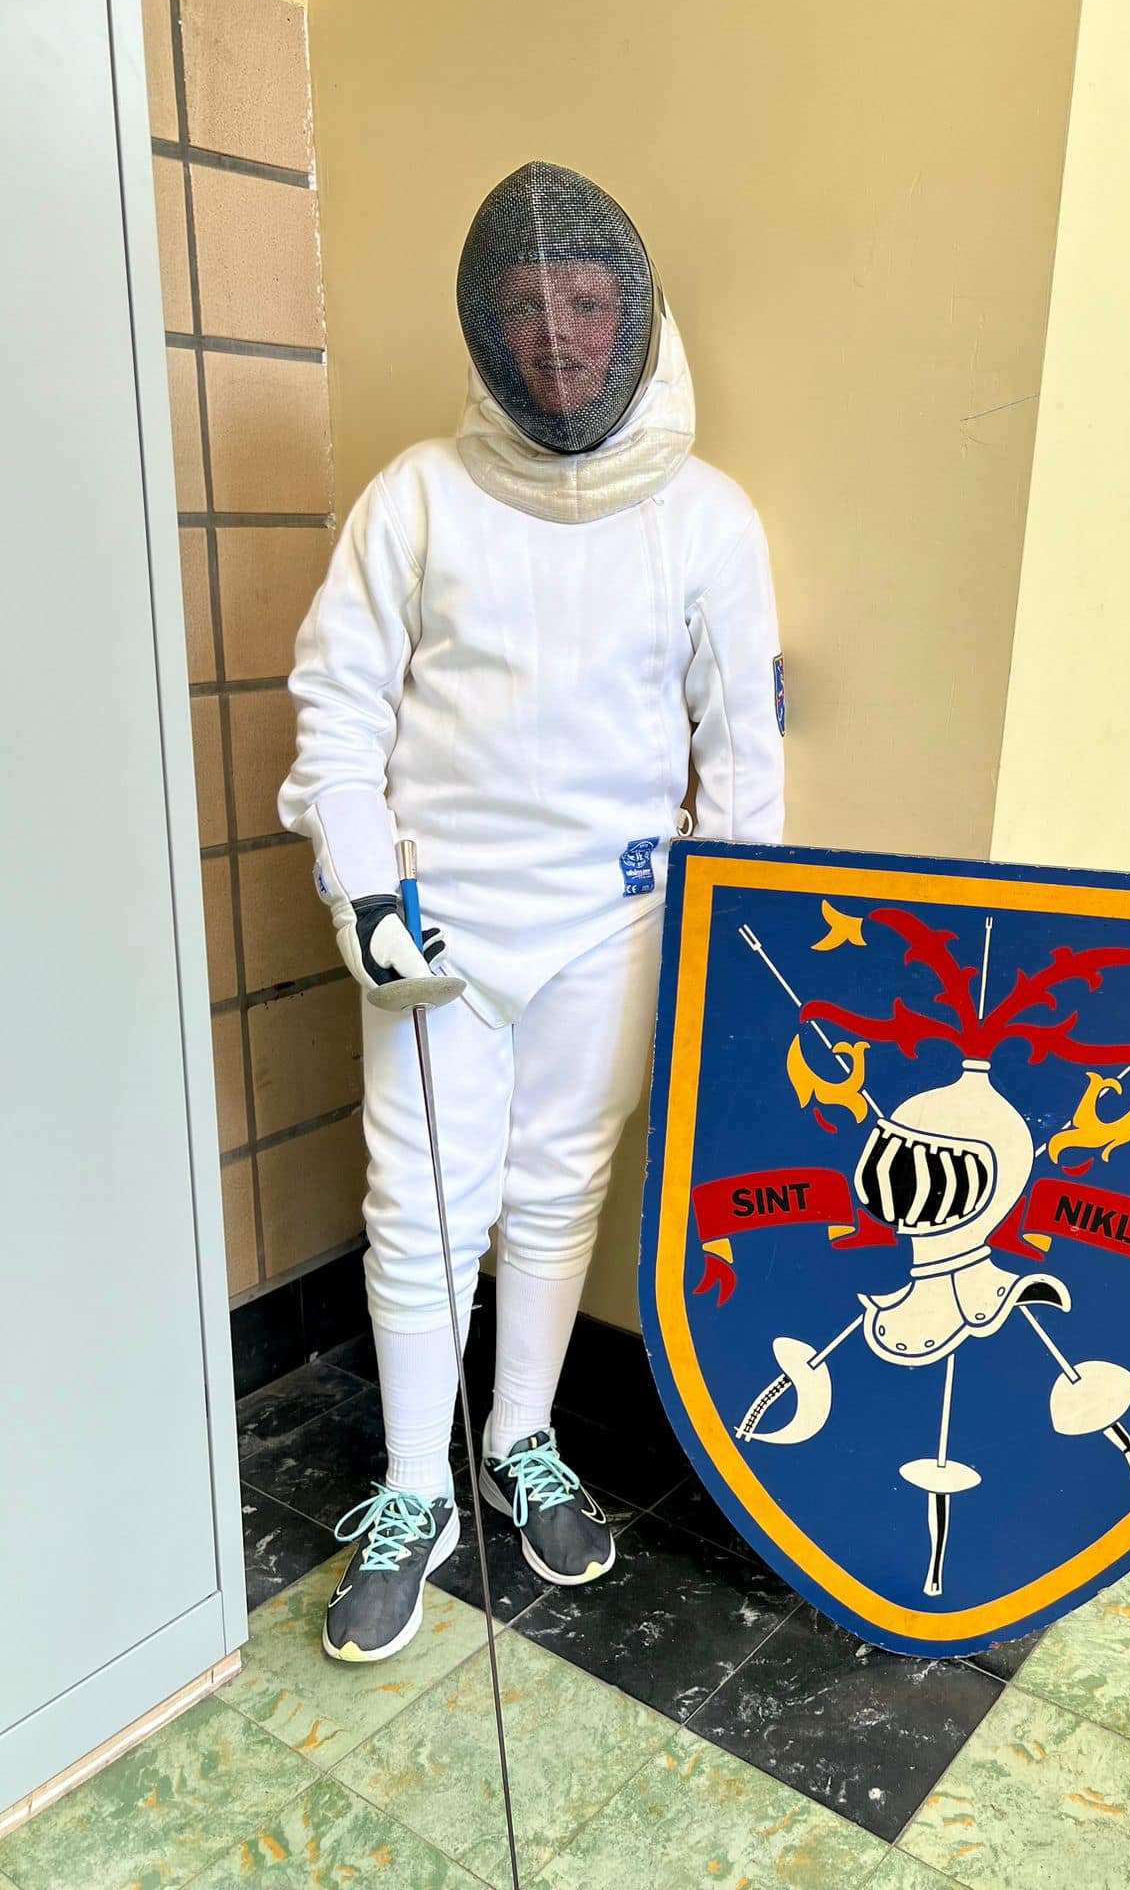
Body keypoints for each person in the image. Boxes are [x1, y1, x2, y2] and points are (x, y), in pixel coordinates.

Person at [279, 162, 785, 1662]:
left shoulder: (707, 520)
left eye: (586, 301)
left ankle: (520, 1441)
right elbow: (337, 712)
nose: (558, 332)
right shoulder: (416, 498)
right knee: (419, 1206)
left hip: (613, 919)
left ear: (635, 315)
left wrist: (737, 957)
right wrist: (366, 891)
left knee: (562, 1188)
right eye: (525, 303)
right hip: (436, 920)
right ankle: (413, 1487)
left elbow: (740, 764)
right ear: (486, 327)